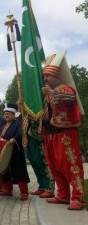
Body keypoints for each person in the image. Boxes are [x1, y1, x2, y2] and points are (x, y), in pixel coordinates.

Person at [41, 51, 85, 210]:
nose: (45, 79)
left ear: (58, 75)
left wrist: (51, 93)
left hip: (65, 134)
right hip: (50, 134)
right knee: (55, 166)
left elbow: (66, 100)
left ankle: (78, 198)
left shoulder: (66, 88)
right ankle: (63, 195)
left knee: (71, 165)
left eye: (48, 76)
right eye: (44, 76)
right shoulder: (49, 92)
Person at [0, 103, 30, 201]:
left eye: (8, 114)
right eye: (5, 114)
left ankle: (24, 192)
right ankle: (7, 190)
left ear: (13, 114)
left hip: (16, 152)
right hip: (6, 153)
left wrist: (14, 139)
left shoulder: (18, 124)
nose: (6, 116)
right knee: (5, 171)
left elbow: (21, 134)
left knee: (19, 172)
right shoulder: (3, 126)